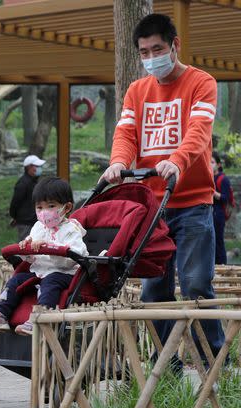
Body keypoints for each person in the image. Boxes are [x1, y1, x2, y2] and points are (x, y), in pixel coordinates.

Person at [100, 13, 223, 369]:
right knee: (155, 288)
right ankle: (163, 362)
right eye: (144, 51)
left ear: (175, 46)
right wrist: (118, 163)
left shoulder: (201, 83)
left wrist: (178, 160)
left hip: (192, 202)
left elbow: (199, 130)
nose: (151, 57)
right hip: (151, 205)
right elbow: (125, 134)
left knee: (197, 283)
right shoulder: (137, 91)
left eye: (158, 49)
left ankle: (213, 360)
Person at [0, 178, 87, 336]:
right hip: (40, 271)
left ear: (67, 207)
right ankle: (1, 314)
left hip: (64, 273)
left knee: (51, 281)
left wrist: (48, 248)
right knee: (17, 279)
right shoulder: (38, 227)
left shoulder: (71, 230)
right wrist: (26, 248)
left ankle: (40, 318)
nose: (44, 212)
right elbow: (30, 258)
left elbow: (75, 257)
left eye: (51, 206)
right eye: (39, 207)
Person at [9, 155, 46, 240]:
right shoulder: (23, 183)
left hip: (34, 221)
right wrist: (15, 217)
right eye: (37, 166)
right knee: (24, 246)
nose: (39, 168)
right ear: (29, 167)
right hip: (25, 222)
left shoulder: (34, 182)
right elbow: (15, 202)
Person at [212, 152, 233, 265]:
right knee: (211, 242)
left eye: (212, 162)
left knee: (218, 241)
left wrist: (213, 193)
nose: (210, 164)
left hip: (218, 213)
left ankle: (222, 266)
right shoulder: (209, 177)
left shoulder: (223, 179)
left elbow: (226, 198)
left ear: (219, 165)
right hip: (210, 212)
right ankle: (214, 266)